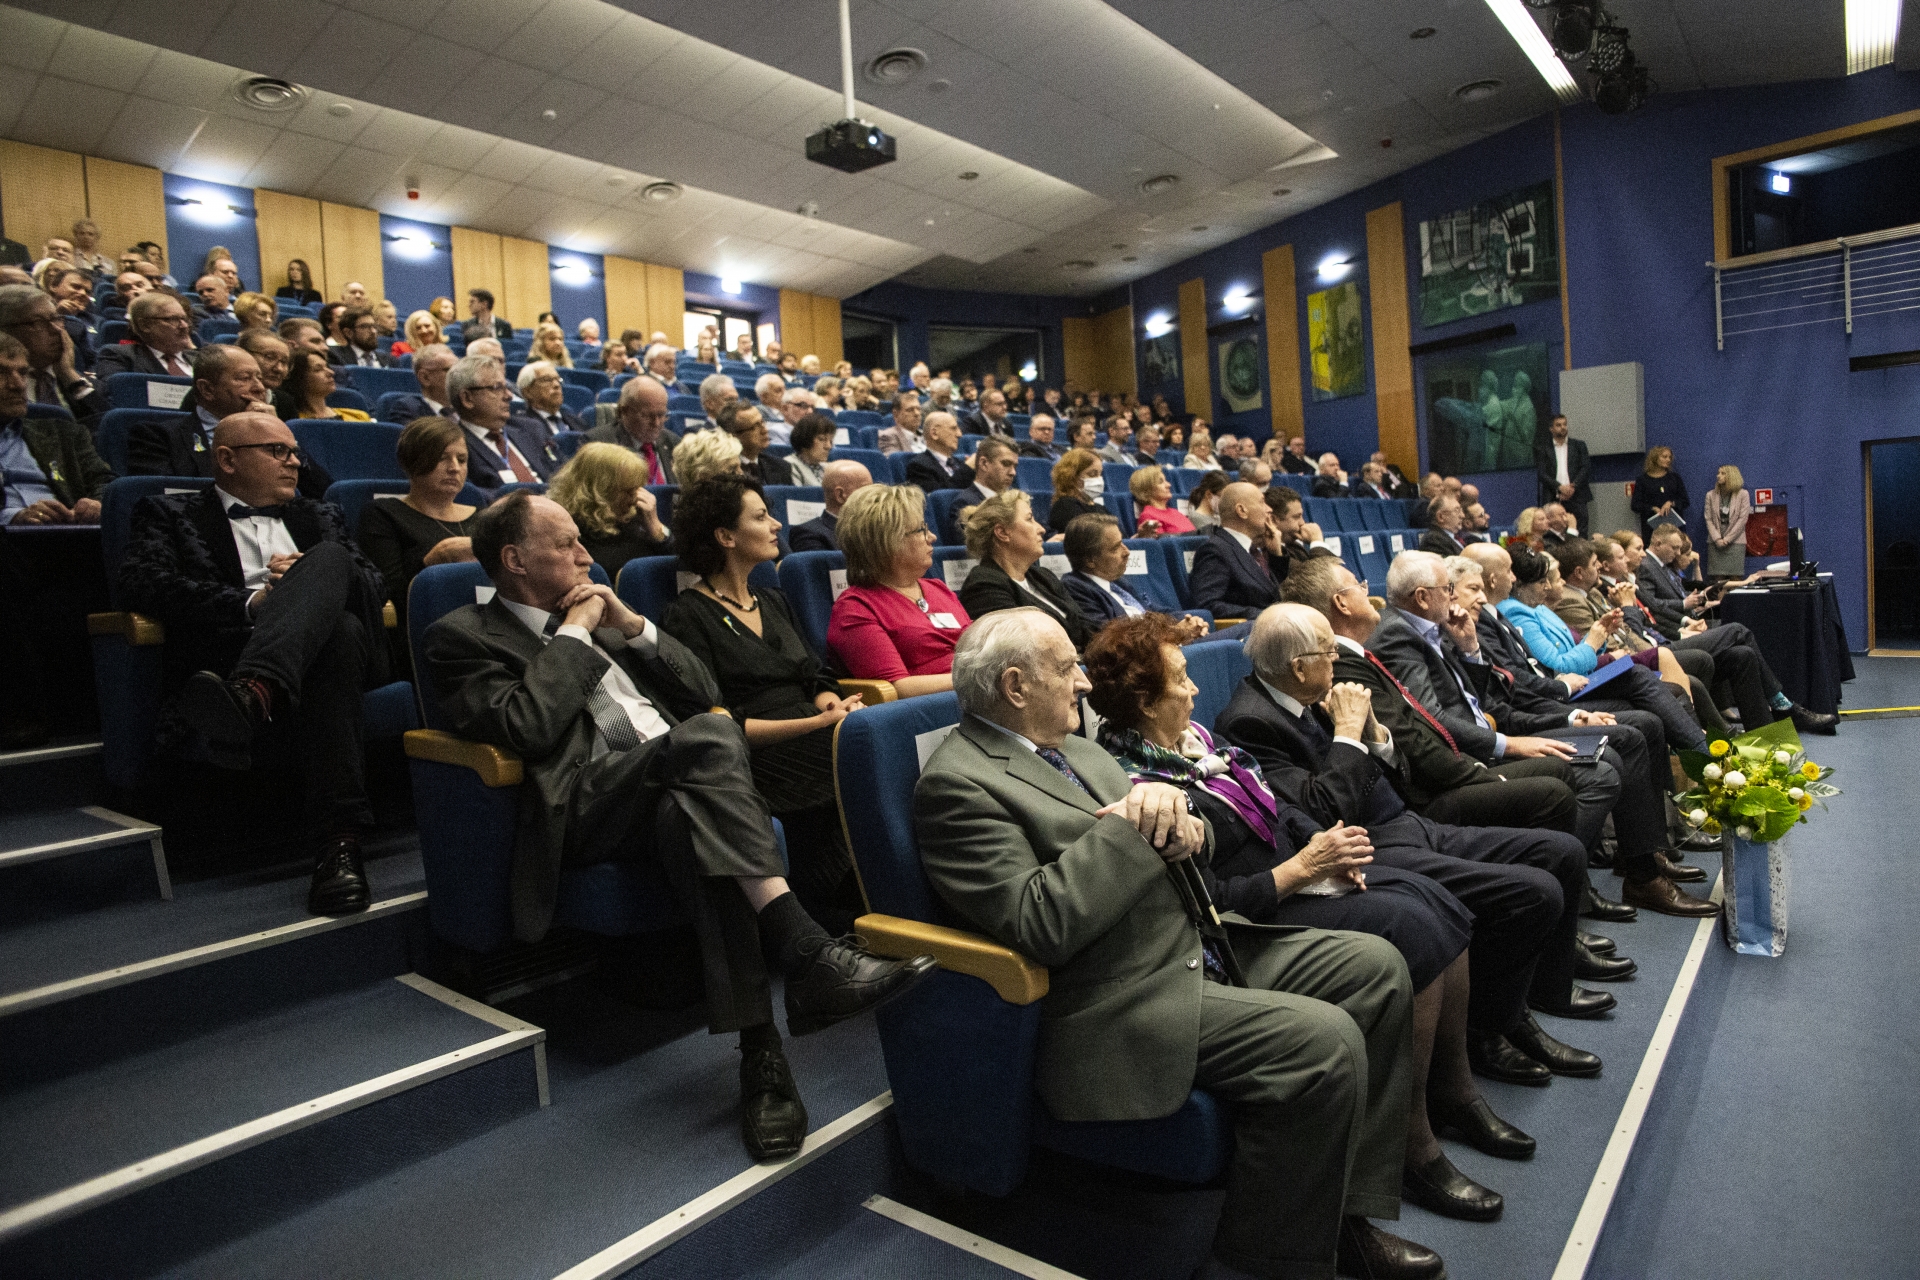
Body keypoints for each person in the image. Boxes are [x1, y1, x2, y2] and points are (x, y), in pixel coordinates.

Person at [917, 609, 1442, 1280]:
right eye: (1067, 668)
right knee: (1325, 1043)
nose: (1084, 683)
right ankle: (1256, 1266)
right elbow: (1039, 923)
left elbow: (1173, 833)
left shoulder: (1077, 749)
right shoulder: (958, 785)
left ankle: (1344, 1216)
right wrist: (1134, 829)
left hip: (1195, 936)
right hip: (1117, 993)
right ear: (1015, 686)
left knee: (1377, 967)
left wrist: (1187, 822)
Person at [422, 491, 932, 1160]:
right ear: (514, 560)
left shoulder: (606, 615)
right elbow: (530, 726)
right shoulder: (461, 636)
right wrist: (573, 633)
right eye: (567, 544)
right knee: (709, 740)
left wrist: (632, 624)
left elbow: (702, 692)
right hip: (589, 801)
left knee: (692, 808)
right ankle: (803, 946)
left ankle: (764, 1058)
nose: (586, 556)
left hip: (678, 782)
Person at [1094, 613, 1535, 1220]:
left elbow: (1280, 809)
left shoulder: (1196, 741)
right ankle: (1413, 1144)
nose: (1195, 688)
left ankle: (1452, 1092)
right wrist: (1302, 868)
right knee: (1415, 928)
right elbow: (1208, 901)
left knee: (1439, 903)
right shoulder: (1143, 790)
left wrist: (1326, 847)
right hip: (1254, 915)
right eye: (1180, 679)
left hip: (1300, 875)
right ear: (1145, 702)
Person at [1219, 601, 1608, 1078]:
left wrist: (1371, 733)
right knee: (1535, 892)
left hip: (1409, 822)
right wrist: (1346, 732)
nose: (1337, 658)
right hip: (1371, 846)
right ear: (1299, 667)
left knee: (1562, 853)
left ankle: (1546, 991)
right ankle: (1491, 1031)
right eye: (1328, 651)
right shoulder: (1250, 723)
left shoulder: (1309, 693)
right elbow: (1324, 813)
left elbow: (1397, 773)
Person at [121, 411, 390, 915]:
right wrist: (251, 603)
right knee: (338, 635)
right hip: (236, 650)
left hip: (335, 662)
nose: (294, 463)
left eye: (295, 452)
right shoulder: (169, 512)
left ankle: (254, 693)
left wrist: (310, 579)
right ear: (227, 460)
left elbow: (374, 582)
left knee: (331, 562)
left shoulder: (321, 515)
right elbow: (144, 583)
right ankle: (340, 845)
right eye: (277, 451)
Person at [662, 473, 868, 927]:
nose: (776, 525)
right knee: (865, 757)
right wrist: (820, 724)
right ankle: (846, 901)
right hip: (756, 754)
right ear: (725, 536)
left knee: (868, 740)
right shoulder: (686, 616)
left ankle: (854, 900)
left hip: (813, 731)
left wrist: (832, 706)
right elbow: (716, 724)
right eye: (760, 517)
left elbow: (816, 675)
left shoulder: (773, 600)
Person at [1636, 525, 1835, 733]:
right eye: (1637, 549)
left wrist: (1686, 622)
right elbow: (1651, 616)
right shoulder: (1641, 573)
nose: (1642, 554)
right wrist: (1682, 626)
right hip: (1658, 650)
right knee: (1737, 630)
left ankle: (1764, 734)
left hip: (1670, 637)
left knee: (1743, 654)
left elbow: (1654, 613)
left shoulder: (1652, 570)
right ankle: (1782, 705)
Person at [354, 416, 480, 658]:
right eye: (442, 458)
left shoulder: (482, 516)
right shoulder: (383, 514)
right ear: (412, 460)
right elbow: (390, 599)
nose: (454, 468)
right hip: (429, 633)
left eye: (462, 459)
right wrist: (434, 560)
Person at [827, 484, 967, 695]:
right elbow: (897, 689)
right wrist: (978, 677)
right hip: (931, 710)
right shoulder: (856, 609)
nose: (932, 537)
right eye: (921, 530)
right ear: (888, 542)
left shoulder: (938, 588)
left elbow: (979, 650)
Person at [956, 489, 1094, 651]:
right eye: (1030, 519)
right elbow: (1026, 649)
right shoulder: (983, 587)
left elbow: (1086, 626)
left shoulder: (1043, 576)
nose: (1041, 529)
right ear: (1002, 533)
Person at [545, 441, 670, 577]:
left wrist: (657, 528)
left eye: (638, 489)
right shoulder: (569, 533)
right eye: (628, 491)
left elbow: (680, 569)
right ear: (600, 492)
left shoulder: (636, 518)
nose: (635, 499)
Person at [0, 284, 105, 425]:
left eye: (56, 319)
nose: (56, 329)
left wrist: (69, 375)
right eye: (38, 322)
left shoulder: (80, 382)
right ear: (5, 330)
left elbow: (110, 430)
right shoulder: (9, 384)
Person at [1188, 481, 1293, 619]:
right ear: (1242, 511)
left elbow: (1273, 594)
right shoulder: (1215, 550)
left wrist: (1276, 554)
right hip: (1253, 627)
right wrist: (1263, 616)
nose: (1269, 509)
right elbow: (1207, 605)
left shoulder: (1254, 549)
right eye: (1262, 502)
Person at [447, 354, 551, 489]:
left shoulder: (531, 428)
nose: (509, 396)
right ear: (467, 398)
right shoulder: (453, 447)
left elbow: (561, 474)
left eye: (507, 387)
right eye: (497, 388)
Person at [585, 375, 677, 484]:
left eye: (661, 415)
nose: (656, 423)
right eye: (647, 416)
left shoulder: (674, 444)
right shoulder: (598, 444)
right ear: (624, 411)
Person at [97, 290, 198, 379]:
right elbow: (114, 391)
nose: (184, 326)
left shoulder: (199, 358)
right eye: (173, 319)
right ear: (145, 325)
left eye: (184, 319)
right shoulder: (120, 356)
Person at [789, 459, 870, 553]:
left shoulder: (874, 527)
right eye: (866, 489)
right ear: (840, 495)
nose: (873, 495)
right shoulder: (809, 534)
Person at [514, 361, 588, 453]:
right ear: (527, 392)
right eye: (547, 380)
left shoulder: (578, 422)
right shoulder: (522, 427)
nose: (556, 385)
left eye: (558, 380)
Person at [1534, 414, 1591, 531]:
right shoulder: (1543, 448)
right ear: (1551, 429)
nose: (1563, 427)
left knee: (1581, 528)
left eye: (1565, 424)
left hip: (1577, 495)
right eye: (1558, 425)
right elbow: (1542, 473)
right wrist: (1559, 487)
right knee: (1552, 529)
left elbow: (1586, 468)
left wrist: (1573, 486)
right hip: (1553, 496)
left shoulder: (1579, 446)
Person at [282, 348, 372, 422]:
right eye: (318, 369)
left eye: (326, 367)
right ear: (299, 378)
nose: (331, 372)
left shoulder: (359, 417)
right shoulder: (293, 421)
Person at [717, 401, 791, 487]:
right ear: (734, 436)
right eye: (755, 426)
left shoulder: (781, 466)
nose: (765, 430)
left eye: (762, 422)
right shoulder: (723, 471)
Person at [903, 410, 973, 491]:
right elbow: (942, 496)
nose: (959, 434)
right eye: (953, 428)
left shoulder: (960, 463)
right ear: (934, 434)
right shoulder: (918, 467)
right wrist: (966, 470)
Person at [1704, 464, 1751, 580]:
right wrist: (1717, 539)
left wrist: (1727, 539)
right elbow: (1708, 519)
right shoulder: (1710, 495)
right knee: (1718, 579)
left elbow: (1742, 519)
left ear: (1731, 476)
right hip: (1715, 542)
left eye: (1723, 473)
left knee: (1736, 578)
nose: (1718, 476)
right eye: (1718, 473)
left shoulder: (1743, 494)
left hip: (1736, 541)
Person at [1631, 445, 1688, 538]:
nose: (1668, 460)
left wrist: (1671, 503)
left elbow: (1685, 501)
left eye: (1670, 457)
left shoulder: (1674, 478)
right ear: (1655, 458)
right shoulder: (1642, 480)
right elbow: (1635, 505)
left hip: (1674, 527)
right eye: (1664, 457)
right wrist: (1652, 508)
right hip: (1652, 529)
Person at [1044, 449, 1104, 536]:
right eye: (1092, 474)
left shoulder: (1099, 507)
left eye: (1100, 474)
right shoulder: (1065, 506)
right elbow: (1089, 537)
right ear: (1072, 477)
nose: (1098, 479)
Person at [1129, 465, 1195, 538]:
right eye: (1161, 482)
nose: (1169, 485)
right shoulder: (1148, 516)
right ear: (1147, 490)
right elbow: (1162, 542)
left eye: (1166, 481)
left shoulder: (1175, 512)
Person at [784, 412, 835, 488]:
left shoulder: (829, 468)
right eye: (822, 439)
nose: (829, 446)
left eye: (830, 441)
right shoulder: (788, 466)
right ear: (805, 438)